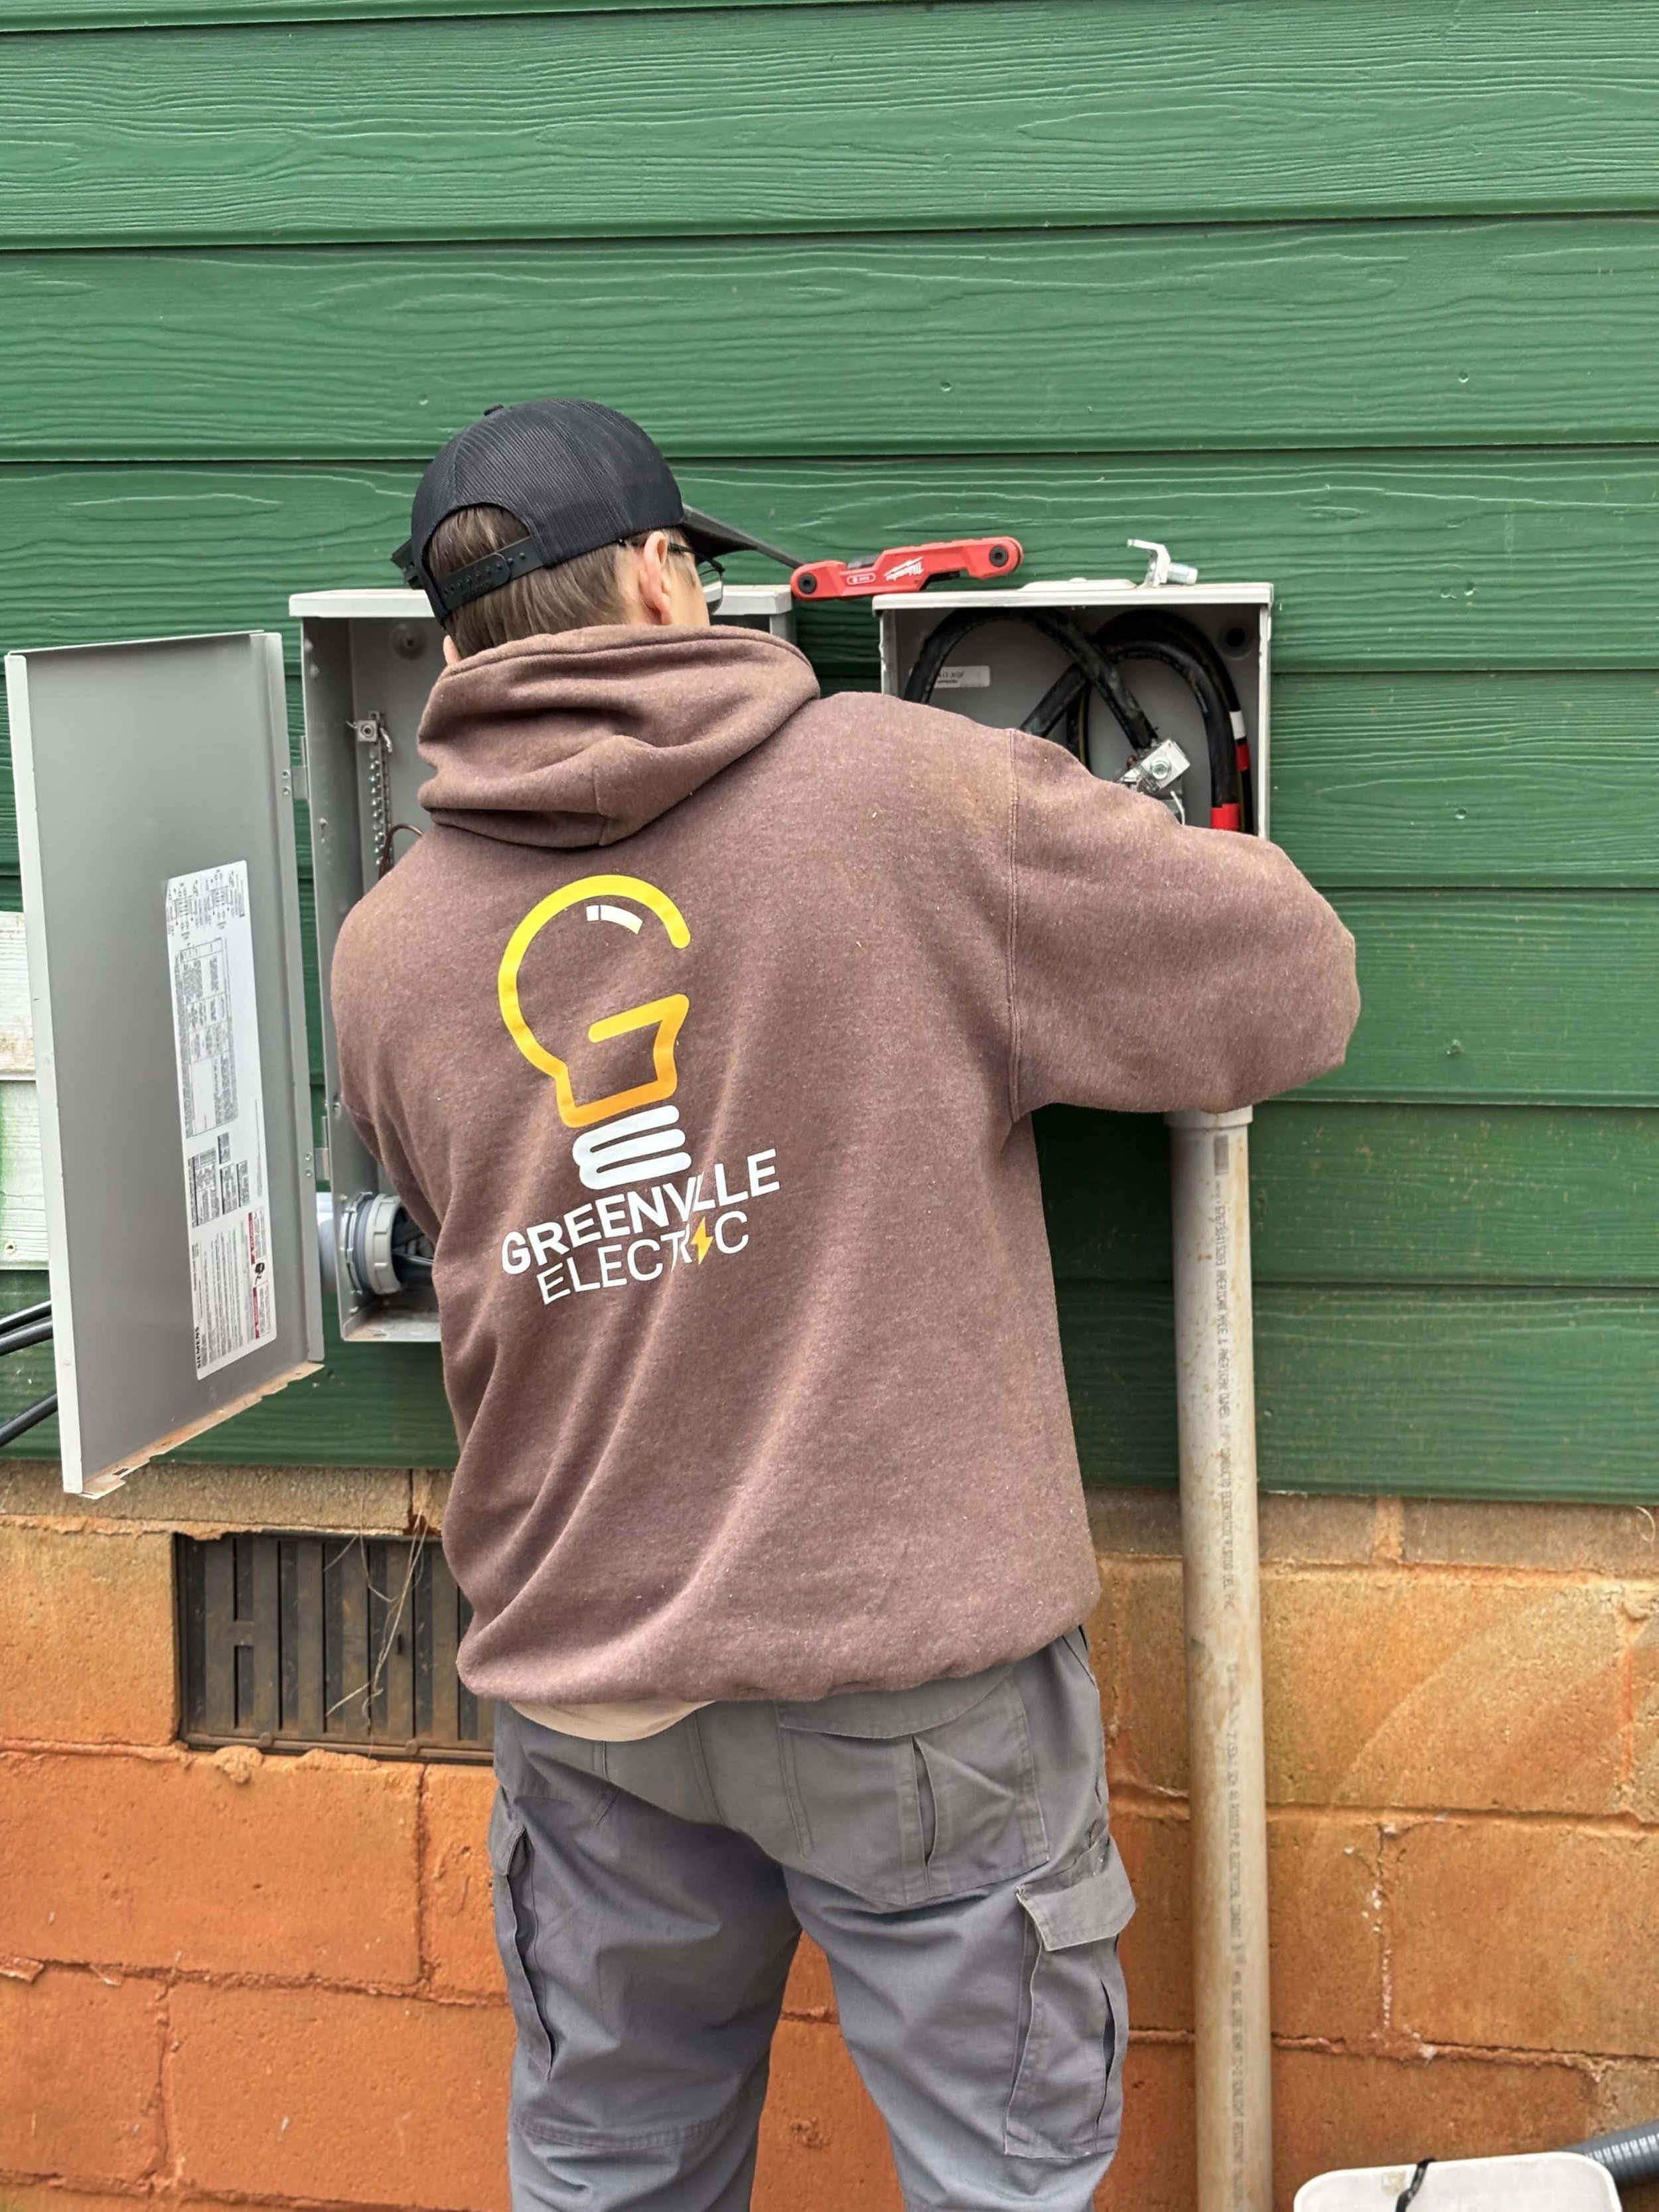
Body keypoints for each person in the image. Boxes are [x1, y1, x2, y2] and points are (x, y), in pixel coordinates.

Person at [332, 398, 1359, 2212]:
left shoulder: (392, 942)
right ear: (660, 576)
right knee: (996, 2181)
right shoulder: (907, 793)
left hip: (590, 1687)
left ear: (453, 642)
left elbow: (459, 1218)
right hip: (901, 1674)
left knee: (610, 2172)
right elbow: (1287, 994)